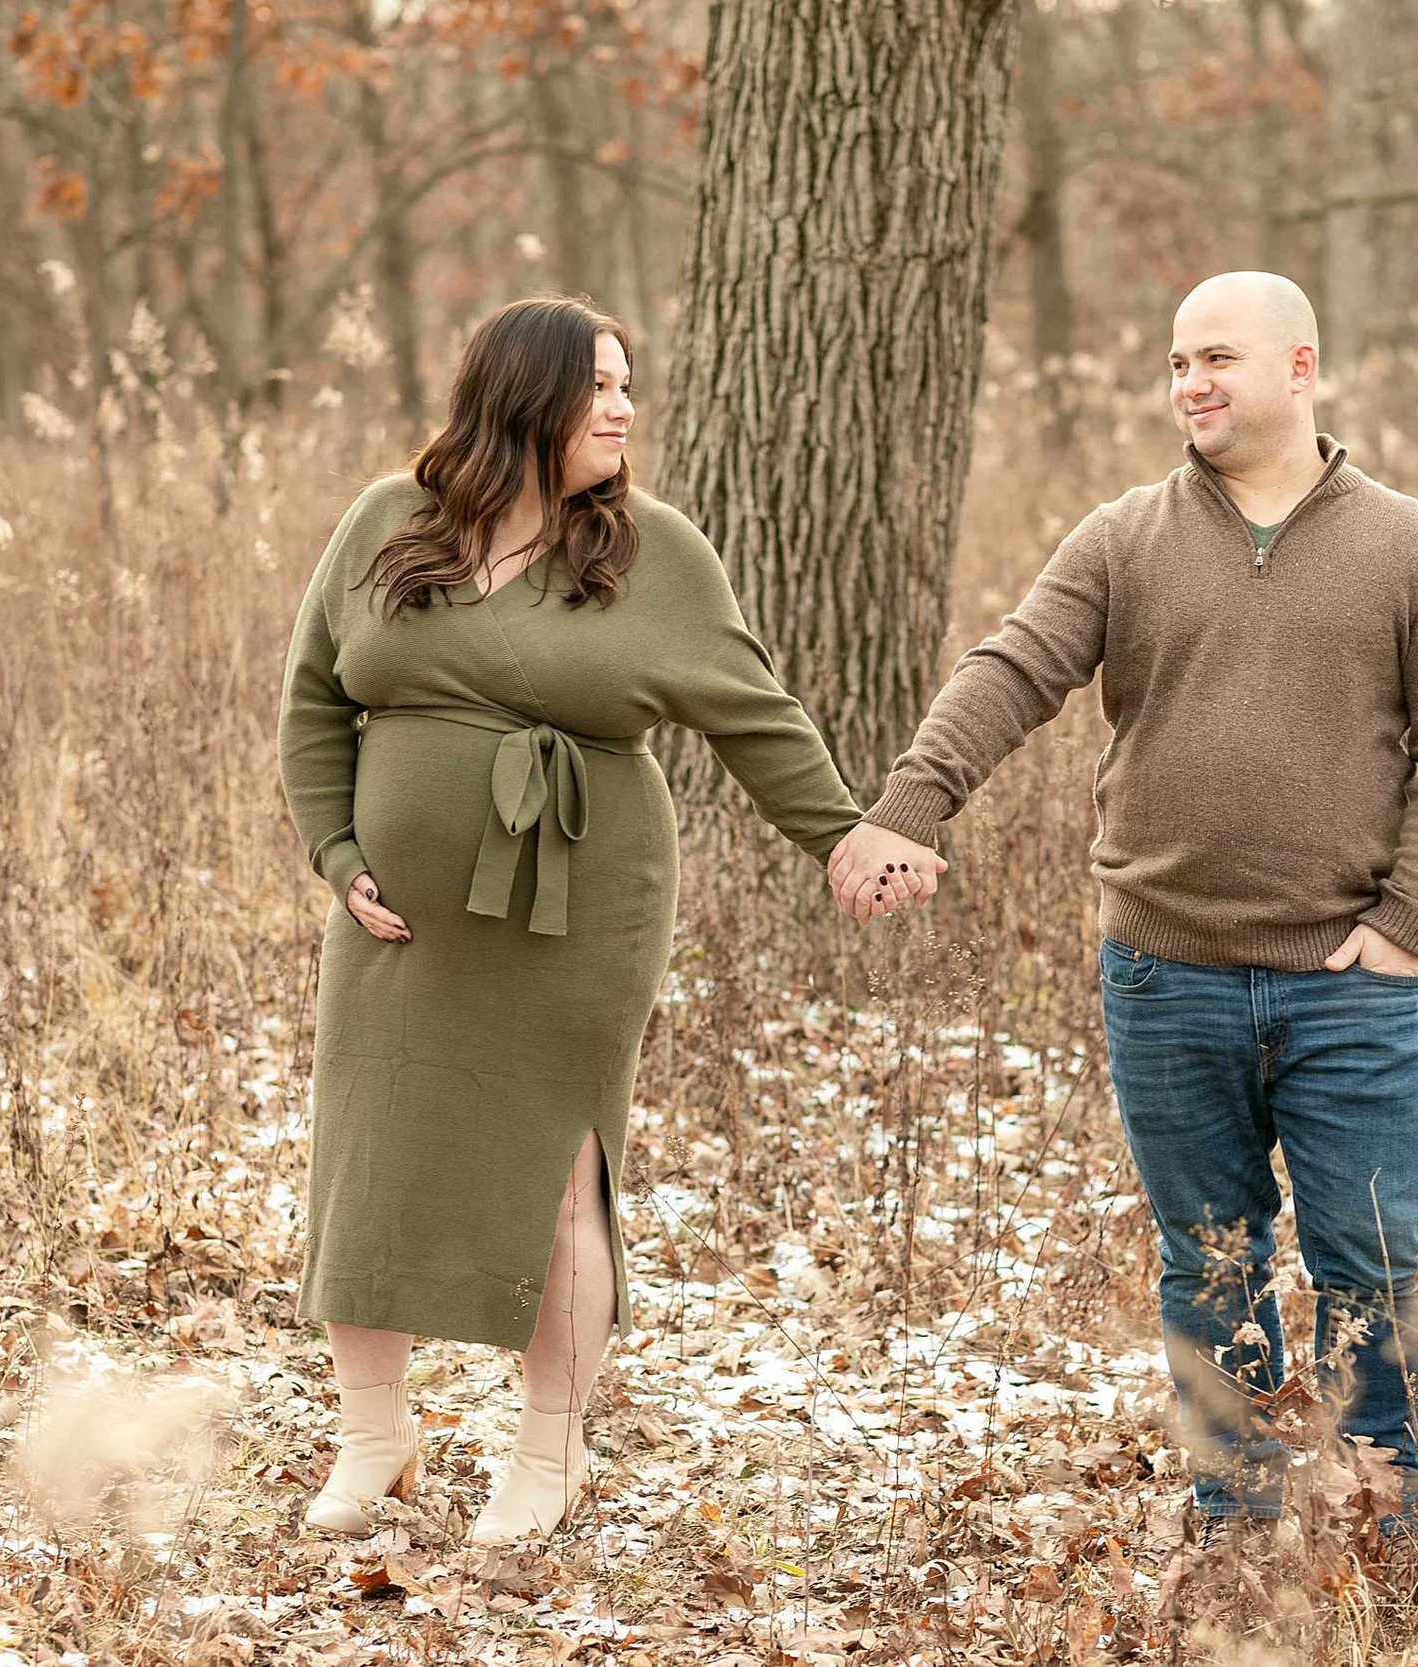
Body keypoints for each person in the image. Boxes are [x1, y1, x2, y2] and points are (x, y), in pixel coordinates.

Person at [827, 273, 1418, 1546]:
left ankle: (1385, 1531)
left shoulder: (1417, 549)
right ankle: (1238, 1536)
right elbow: (1013, 669)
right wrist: (908, 805)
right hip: (1165, 973)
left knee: (1371, 1269)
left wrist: (1408, 922)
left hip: (1347, 982)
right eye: (1177, 361)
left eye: (1219, 357)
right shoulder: (1122, 537)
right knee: (1211, 1261)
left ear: (1299, 367)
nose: (1191, 382)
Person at [276, 295, 935, 1541]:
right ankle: (373, 1440)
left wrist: (847, 836)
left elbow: (754, 713)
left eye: (629, 386)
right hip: (396, 917)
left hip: (578, 906)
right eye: (600, 388)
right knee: (370, 1160)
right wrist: (338, 851)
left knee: (559, 1168)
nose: (626, 410)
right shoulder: (386, 523)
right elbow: (313, 701)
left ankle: (549, 1453)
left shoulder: (652, 555)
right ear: (523, 398)